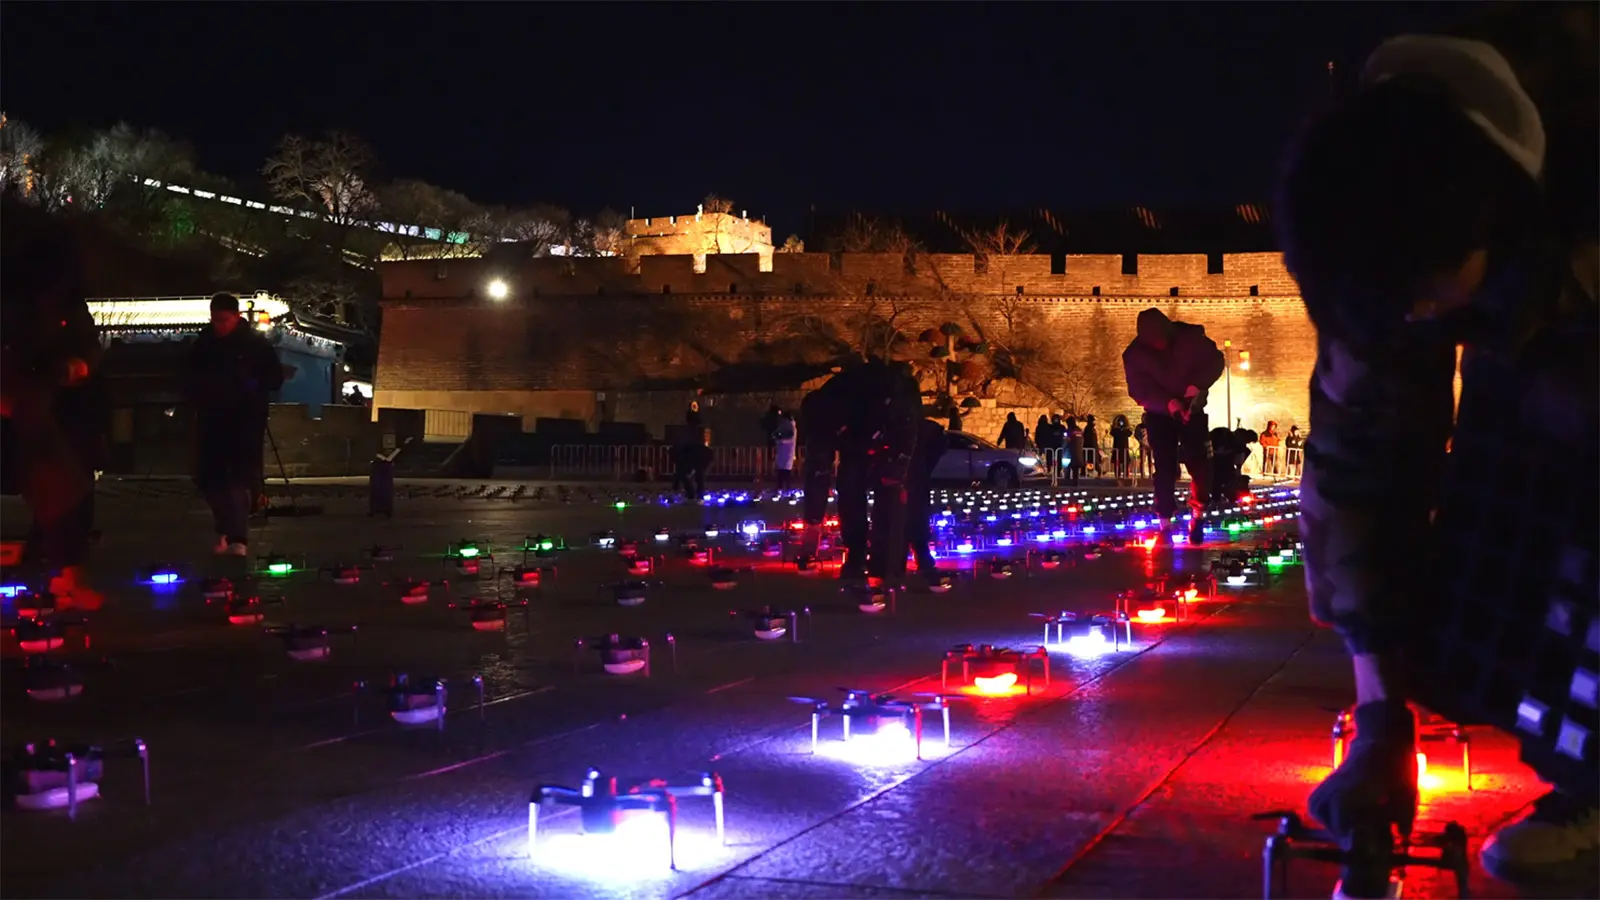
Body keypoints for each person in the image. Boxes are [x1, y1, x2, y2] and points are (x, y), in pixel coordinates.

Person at [1276, 4, 1598, 894]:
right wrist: (1379, 716)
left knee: (1555, 425)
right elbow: (1362, 455)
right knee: (1474, 574)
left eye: (1433, 299)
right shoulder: (1375, 220)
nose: (1422, 321)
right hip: (1529, 283)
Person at [0, 197, 105, 609]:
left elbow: (86, 346)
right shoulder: (17, 305)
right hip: (24, 401)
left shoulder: (61, 305)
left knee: (65, 490)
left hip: (53, 405)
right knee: (56, 486)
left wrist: (75, 366)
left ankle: (65, 576)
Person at [798, 356, 923, 580]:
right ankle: (858, 555)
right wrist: (814, 519)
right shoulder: (829, 408)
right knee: (850, 492)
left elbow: (908, 430)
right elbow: (818, 469)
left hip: (893, 438)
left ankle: (886, 562)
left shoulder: (889, 392)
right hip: (859, 444)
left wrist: (899, 465)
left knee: (889, 498)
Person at [185, 293, 285, 556]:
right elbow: (186, 376)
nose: (219, 325)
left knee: (238, 476)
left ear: (236, 316)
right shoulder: (204, 345)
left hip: (245, 418)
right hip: (211, 417)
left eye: (224, 320)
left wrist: (251, 383)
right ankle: (225, 528)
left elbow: (274, 378)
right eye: (215, 319)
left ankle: (238, 536)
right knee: (210, 479)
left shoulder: (255, 346)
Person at [1121, 307, 1225, 545]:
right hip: (1160, 414)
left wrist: (1196, 386)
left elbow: (1215, 361)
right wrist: (1168, 403)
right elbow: (1139, 389)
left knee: (1199, 462)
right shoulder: (1135, 355)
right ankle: (1165, 519)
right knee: (1165, 466)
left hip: (1193, 408)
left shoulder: (1190, 339)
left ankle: (1198, 514)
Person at [772, 410, 797, 493]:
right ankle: (780, 487)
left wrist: (780, 440)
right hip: (782, 451)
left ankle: (787, 488)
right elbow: (776, 434)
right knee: (781, 470)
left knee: (786, 470)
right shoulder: (783, 426)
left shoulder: (792, 427)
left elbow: (790, 439)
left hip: (788, 451)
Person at [1109, 414, 1134, 483]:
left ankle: (1126, 475)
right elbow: (1112, 433)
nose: (1121, 423)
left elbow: (1130, 433)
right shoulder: (1115, 430)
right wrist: (1116, 427)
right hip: (1117, 448)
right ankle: (1117, 476)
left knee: (1125, 462)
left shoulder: (1126, 430)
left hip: (1124, 448)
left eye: (1122, 421)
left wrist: (1125, 428)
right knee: (1117, 463)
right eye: (1119, 421)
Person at [1134, 413, 1151, 480]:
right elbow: (1136, 434)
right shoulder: (1139, 426)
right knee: (1142, 460)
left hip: (1150, 445)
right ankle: (1142, 474)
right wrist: (1140, 441)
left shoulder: (1151, 425)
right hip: (1142, 445)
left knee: (1150, 460)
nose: (1144, 419)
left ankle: (1150, 473)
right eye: (1143, 417)